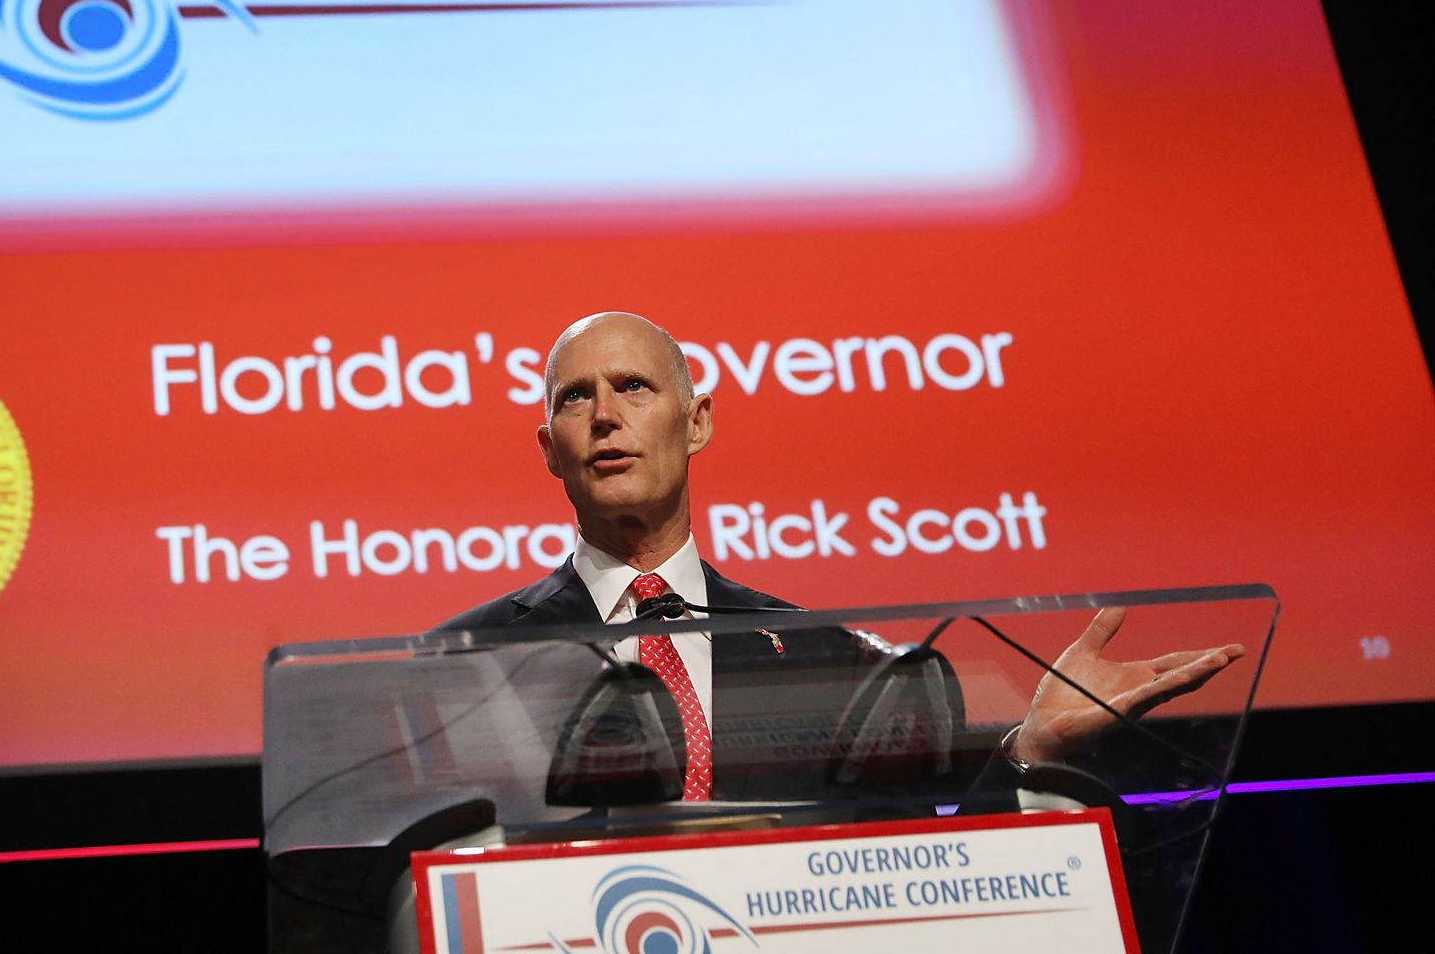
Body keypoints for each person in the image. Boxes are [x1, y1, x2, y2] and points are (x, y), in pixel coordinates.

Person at [439, 311, 1245, 797]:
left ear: (698, 422)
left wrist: (1030, 749)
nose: (605, 416)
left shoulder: (822, 653)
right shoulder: (466, 659)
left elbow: (910, 868)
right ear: (550, 449)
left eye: (633, 387)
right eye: (575, 398)